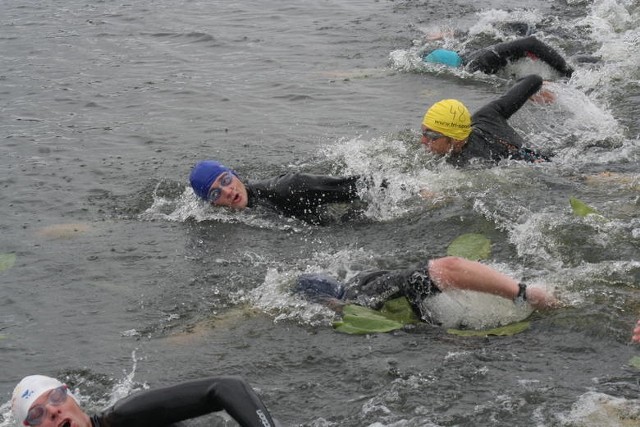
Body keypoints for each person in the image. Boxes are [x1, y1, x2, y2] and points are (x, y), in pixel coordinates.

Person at [294, 256, 559, 325]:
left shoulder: (368, 296)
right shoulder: (365, 299)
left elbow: (450, 267)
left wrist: (523, 293)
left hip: (515, 298)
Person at [11, 374, 278, 427]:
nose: (53, 411)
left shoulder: (126, 417)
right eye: (37, 415)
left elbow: (226, 387)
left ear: (73, 400)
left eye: (56, 397)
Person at [420, 74, 552, 166]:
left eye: (432, 136)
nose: (423, 140)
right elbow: (533, 80)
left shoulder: (470, 164)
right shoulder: (486, 116)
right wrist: (532, 93)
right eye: (423, 132)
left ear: (457, 141)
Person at [189, 160, 369, 223]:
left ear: (235, 174)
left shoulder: (291, 187)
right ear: (212, 204)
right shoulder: (236, 216)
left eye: (226, 180)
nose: (227, 191)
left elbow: (366, 185)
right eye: (215, 193)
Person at [423, 36, 574, 78]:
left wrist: (568, 72)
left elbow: (531, 42)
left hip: (549, 63)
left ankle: (571, 71)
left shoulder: (477, 65)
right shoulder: (472, 59)